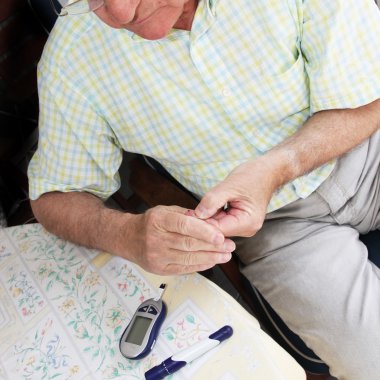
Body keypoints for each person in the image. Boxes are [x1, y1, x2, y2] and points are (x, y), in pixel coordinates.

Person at [28, 0, 380, 378]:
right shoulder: (73, 54)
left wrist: (277, 167)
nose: (118, 14)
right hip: (276, 229)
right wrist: (126, 234)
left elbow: (372, 92)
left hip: (368, 149)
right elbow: (54, 195)